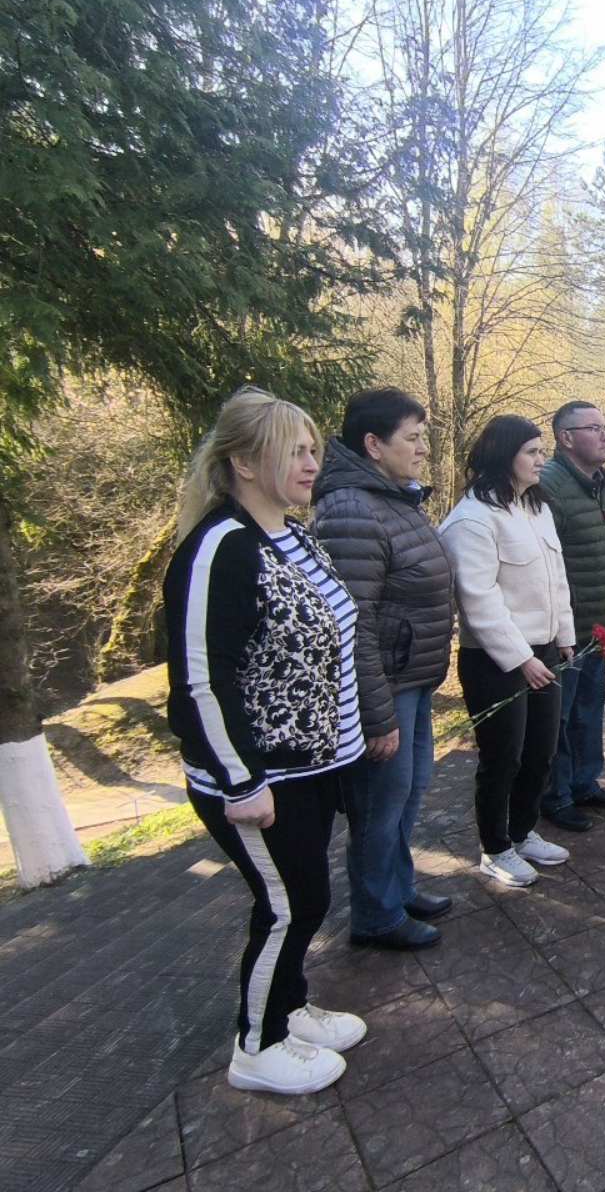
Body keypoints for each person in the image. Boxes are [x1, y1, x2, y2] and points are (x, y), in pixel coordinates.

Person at [163, 387, 367, 1096]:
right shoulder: (220, 548)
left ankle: (289, 1007)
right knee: (289, 905)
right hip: (257, 779)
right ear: (245, 463)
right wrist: (241, 780)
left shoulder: (292, 534)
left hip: (310, 767)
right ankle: (257, 1045)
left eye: (313, 450)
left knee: (306, 898)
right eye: (295, 452)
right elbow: (199, 679)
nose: (312, 463)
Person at [311, 387, 454, 951]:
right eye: (411, 438)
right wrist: (375, 716)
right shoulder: (351, 508)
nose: (422, 448)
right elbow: (353, 622)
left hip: (410, 678)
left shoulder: (392, 497)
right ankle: (375, 914)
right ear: (373, 444)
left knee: (408, 793)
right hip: (386, 687)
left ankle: (398, 887)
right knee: (379, 804)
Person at [438, 416, 574, 887]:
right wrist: (522, 659)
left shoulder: (535, 506)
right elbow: (479, 600)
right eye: (532, 452)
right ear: (503, 455)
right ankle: (495, 848)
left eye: (541, 451)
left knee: (540, 751)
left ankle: (521, 832)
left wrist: (564, 634)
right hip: (496, 661)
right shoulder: (472, 519)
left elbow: (556, 578)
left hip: (544, 651)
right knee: (503, 757)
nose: (541, 459)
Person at [540, 401, 605, 831]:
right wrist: (560, 630)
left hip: (597, 625)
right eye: (594, 428)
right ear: (566, 438)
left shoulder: (600, 484)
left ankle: (584, 783)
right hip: (565, 632)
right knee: (560, 716)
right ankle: (556, 796)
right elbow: (544, 564)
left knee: (589, 710)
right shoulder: (549, 486)